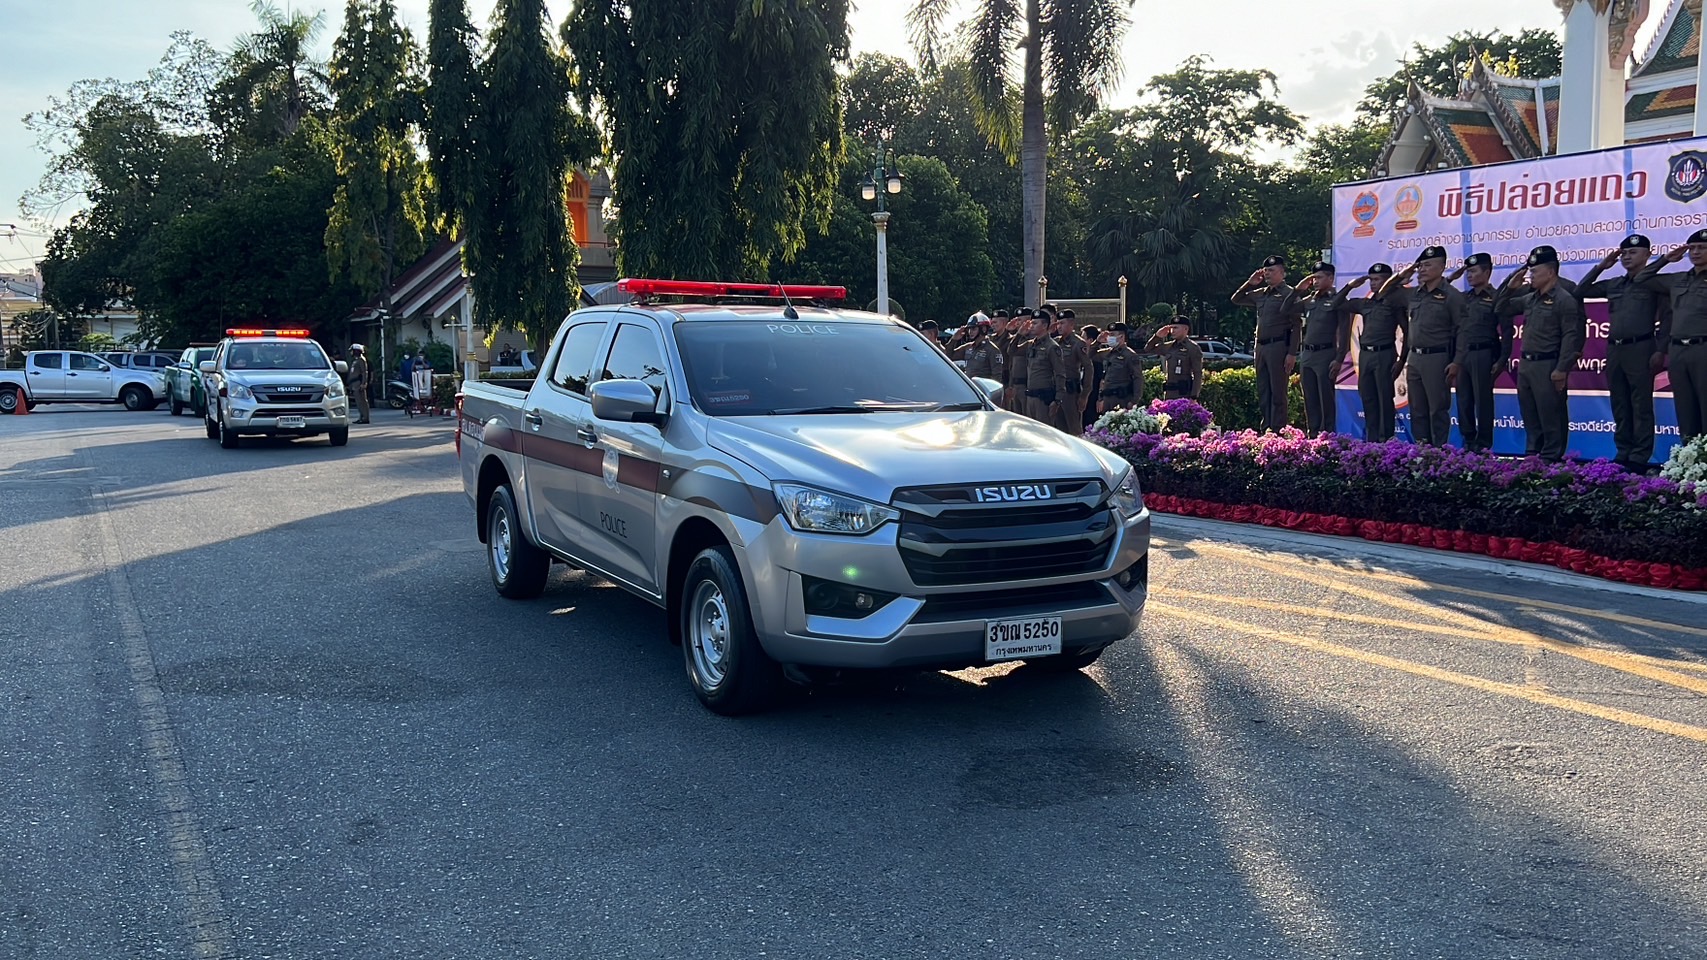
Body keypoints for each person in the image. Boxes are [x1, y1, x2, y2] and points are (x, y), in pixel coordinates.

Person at [1579, 235, 1672, 469]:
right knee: (1619, 403)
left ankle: (1640, 456)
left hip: (1641, 347)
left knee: (1641, 405)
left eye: (1633, 252)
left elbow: (1667, 319)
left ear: (1647, 255)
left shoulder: (1654, 284)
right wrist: (1601, 267)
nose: (1627, 257)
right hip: (1615, 349)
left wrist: (1661, 350)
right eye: (1624, 253)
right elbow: (1580, 291)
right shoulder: (1614, 284)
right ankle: (1623, 452)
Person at [1495, 246, 1586, 462]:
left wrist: (1562, 368)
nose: (1531, 276)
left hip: (1548, 364)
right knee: (1529, 412)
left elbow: (1570, 336)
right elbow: (1500, 308)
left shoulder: (1564, 299)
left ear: (1551, 272)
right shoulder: (1531, 298)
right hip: (1526, 364)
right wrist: (1510, 288)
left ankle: (1551, 458)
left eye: (1535, 271)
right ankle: (1532, 455)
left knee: (1550, 414)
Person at [1383, 246, 1467, 446]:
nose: (1422, 269)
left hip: (1437, 358)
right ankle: (1421, 450)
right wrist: (1402, 274)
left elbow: (1463, 331)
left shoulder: (1452, 296)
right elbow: (1384, 293)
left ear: (1442, 267)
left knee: (1437, 409)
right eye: (1420, 265)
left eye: (1428, 265)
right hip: (1414, 358)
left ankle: (1438, 452)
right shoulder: (1414, 294)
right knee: (1417, 409)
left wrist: (1457, 362)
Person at [1633, 229, 1707, 445]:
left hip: (1703, 349)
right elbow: (1641, 278)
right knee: (1684, 407)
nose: (1695, 252)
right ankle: (1689, 457)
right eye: (1692, 248)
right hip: (1677, 350)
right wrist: (1665, 259)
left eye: (1702, 248)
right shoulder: (1678, 279)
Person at [1448, 253, 1517, 453]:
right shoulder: (1463, 298)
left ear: (1486, 273)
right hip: (1463, 355)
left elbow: (1507, 331)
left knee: (1483, 401)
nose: (1469, 275)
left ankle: (1484, 444)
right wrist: (1451, 278)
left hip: (1484, 353)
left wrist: (1502, 360)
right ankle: (1468, 441)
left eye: (1473, 271)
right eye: (1467, 272)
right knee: (1463, 401)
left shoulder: (1496, 298)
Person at [1339, 262, 1411, 442]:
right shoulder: (1366, 303)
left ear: (1387, 281)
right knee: (1368, 398)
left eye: (1377, 279)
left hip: (1384, 354)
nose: (1373, 283)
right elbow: (1336, 304)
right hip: (1365, 355)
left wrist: (1401, 360)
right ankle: (1371, 441)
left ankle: (1386, 441)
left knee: (1385, 399)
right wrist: (1350, 286)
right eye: (1371, 279)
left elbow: (1407, 331)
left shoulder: (1394, 304)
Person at [1230, 255, 1299, 432]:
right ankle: (1266, 427)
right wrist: (1250, 283)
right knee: (1263, 390)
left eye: (1272, 270)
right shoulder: (1261, 293)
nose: (1267, 274)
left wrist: (1292, 353)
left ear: (1282, 273)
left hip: (1278, 346)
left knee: (1278, 391)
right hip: (1260, 347)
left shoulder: (1289, 294)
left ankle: (1278, 430)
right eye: (1266, 270)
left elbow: (1297, 326)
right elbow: (1236, 299)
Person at [1289, 261, 1353, 436]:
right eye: (1314, 278)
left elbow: (1345, 332)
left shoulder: (1337, 300)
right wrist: (1298, 290)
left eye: (1319, 277)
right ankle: (1313, 434)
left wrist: (1339, 359)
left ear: (1330, 278)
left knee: (1326, 398)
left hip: (1326, 354)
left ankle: (1328, 435)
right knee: (1309, 398)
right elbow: (1286, 309)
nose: (1315, 281)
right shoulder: (1310, 300)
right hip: (1308, 354)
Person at [1144, 319, 1204, 400]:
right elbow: (1148, 349)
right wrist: (1157, 336)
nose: (1172, 331)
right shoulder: (1169, 346)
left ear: (1185, 329)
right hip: (1169, 394)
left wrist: (1194, 397)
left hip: (1184, 395)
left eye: (1175, 328)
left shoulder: (1192, 348)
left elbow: (1198, 374)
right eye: (1171, 328)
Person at [1023, 311, 1066, 424]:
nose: (1031, 326)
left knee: (1043, 430)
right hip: (1030, 396)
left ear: (1044, 325)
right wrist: (1019, 334)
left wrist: (1057, 400)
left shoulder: (1052, 346)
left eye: (1035, 323)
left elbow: (1060, 373)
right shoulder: (1031, 344)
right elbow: (1012, 351)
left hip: (1043, 398)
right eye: (1031, 323)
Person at [1055, 309, 1092, 435]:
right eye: (1058, 323)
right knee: (1058, 430)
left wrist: (1084, 395)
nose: (1059, 326)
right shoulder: (1055, 342)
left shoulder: (1078, 343)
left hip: (1070, 392)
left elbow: (1088, 367)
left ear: (1071, 324)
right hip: (1056, 390)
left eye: (1062, 323)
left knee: (1074, 429)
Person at [1096, 323, 1146, 413]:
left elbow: (1138, 378)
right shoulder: (1108, 353)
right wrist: (1097, 342)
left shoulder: (1130, 355)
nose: (1109, 337)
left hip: (1122, 399)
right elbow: (1089, 355)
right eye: (1109, 335)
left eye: (1112, 335)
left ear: (1121, 336)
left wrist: (1134, 401)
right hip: (1107, 399)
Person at [950, 315, 1004, 382]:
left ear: (983, 329)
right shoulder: (968, 347)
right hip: (968, 386)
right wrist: (953, 340)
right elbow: (949, 356)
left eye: (973, 329)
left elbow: (997, 377)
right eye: (969, 329)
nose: (970, 332)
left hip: (981, 387)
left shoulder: (993, 350)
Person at [346, 343, 371, 424]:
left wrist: (364, 383)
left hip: (359, 383)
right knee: (358, 401)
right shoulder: (355, 360)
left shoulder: (361, 360)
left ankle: (365, 418)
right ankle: (361, 417)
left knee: (362, 401)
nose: (351, 352)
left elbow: (364, 372)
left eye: (352, 351)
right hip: (354, 383)